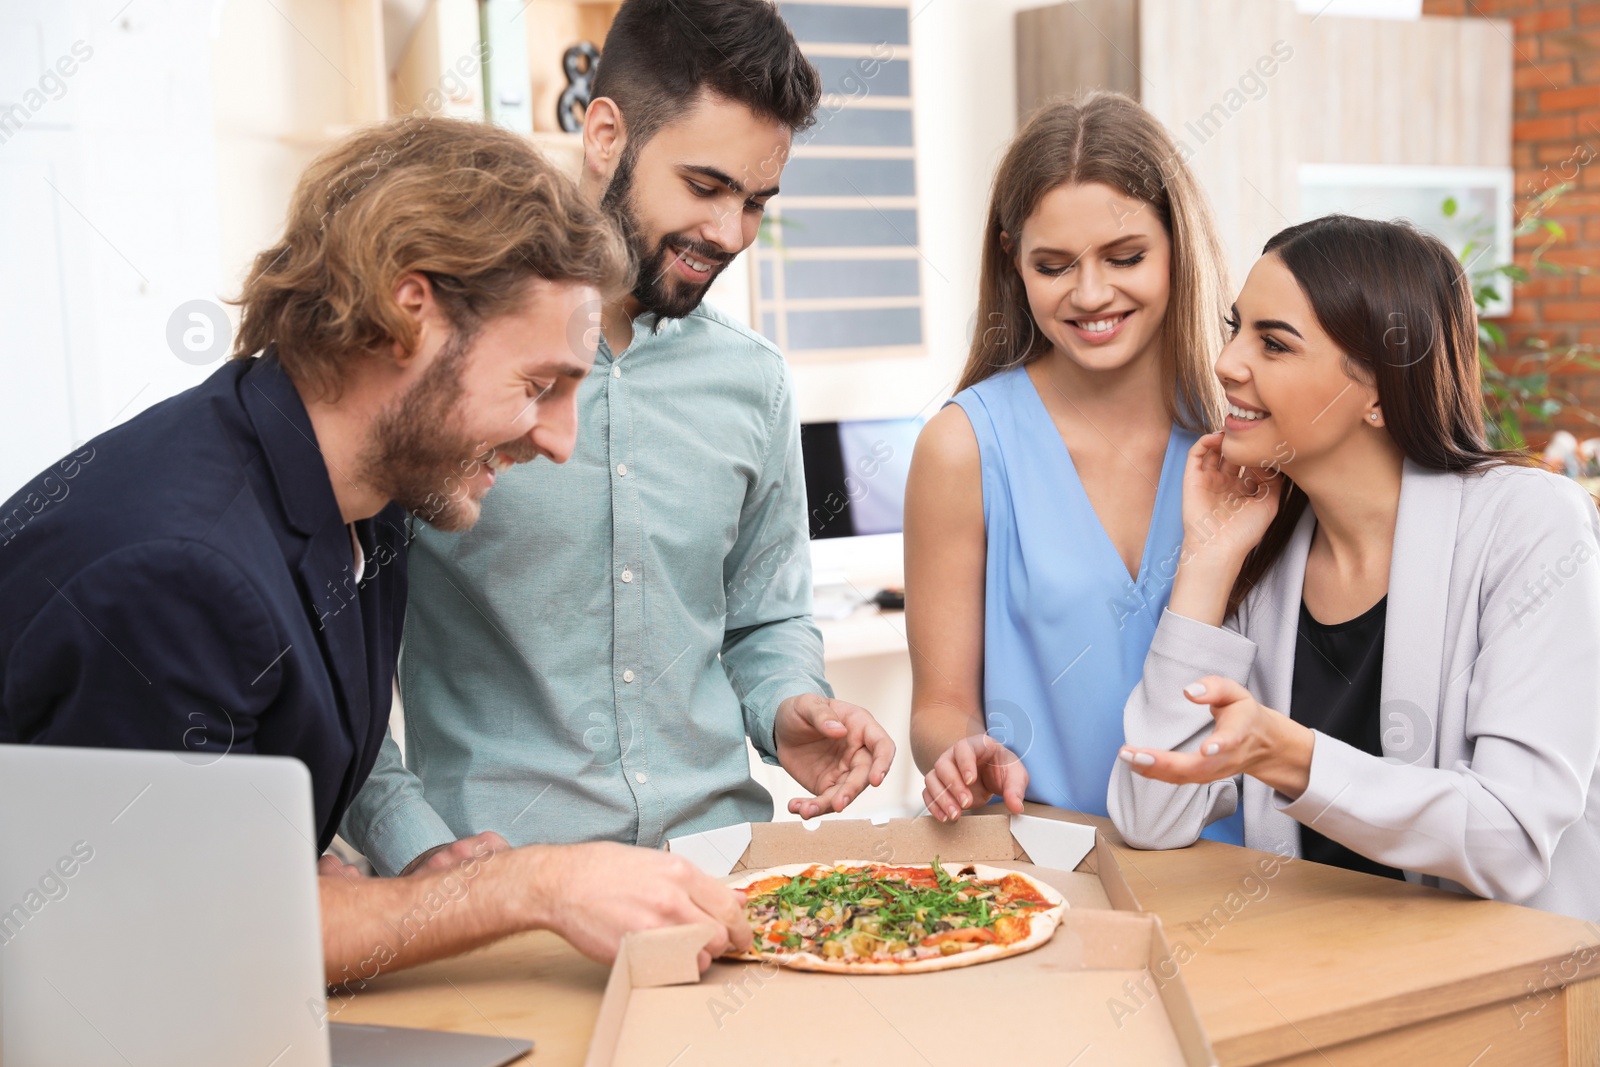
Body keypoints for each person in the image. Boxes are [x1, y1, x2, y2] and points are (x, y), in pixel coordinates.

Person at [0, 117, 753, 980]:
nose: (560, 441)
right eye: (539, 386)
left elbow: (237, 850)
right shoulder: (177, 568)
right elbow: (195, 934)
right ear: (410, 312)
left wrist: (336, 880)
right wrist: (532, 883)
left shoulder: (370, 502)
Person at [339, 0, 895, 879]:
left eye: (756, 201)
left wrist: (789, 707)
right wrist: (420, 849)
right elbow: (340, 671)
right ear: (605, 134)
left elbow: (767, 617)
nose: (730, 233)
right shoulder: (444, 368)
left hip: (723, 873)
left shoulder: (753, 382)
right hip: (502, 887)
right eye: (706, 187)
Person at [1109, 215, 1600, 920]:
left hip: (1513, 996)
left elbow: (1512, 837)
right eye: (1235, 326)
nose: (1226, 362)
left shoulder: (1529, 522)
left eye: (1273, 342)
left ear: (1377, 388)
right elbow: (1150, 814)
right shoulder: (1269, 553)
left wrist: (1292, 756)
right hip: (1329, 975)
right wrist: (1207, 560)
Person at [904, 91, 1242, 843]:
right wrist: (962, 751)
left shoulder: (1238, 436)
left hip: (1230, 871)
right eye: (1053, 266)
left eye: (1125, 258)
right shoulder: (964, 447)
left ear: (1176, 246)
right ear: (1011, 260)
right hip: (1040, 870)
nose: (1091, 294)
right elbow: (939, 702)